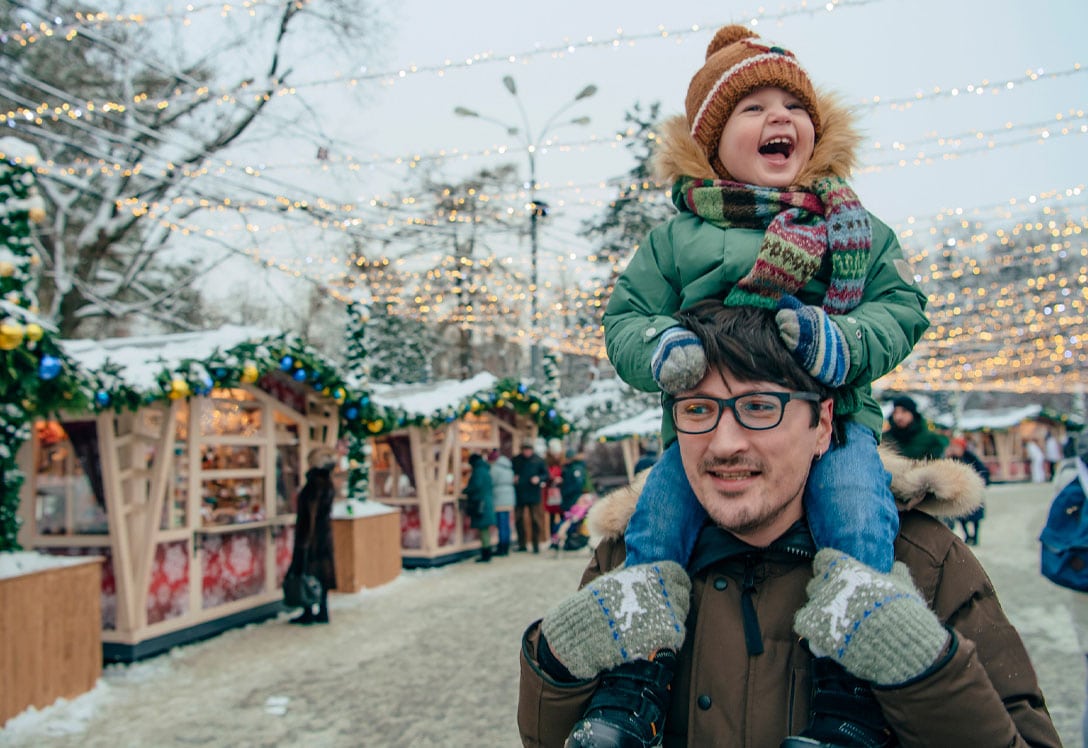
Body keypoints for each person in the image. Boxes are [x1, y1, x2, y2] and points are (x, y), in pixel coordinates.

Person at [517, 303, 1061, 747]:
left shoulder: (924, 561)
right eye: (699, 410)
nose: (725, 443)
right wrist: (555, 664)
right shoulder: (627, 559)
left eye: (758, 406)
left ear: (822, 424)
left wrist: (923, 672)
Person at [598, 22, 928, 741]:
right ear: (711, 143)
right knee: (657, 523)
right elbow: (626, 317)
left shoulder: (857, 230)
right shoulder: (675, 238)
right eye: (752, 109)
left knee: (857, 514)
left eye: (794, 106)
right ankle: (634, 681)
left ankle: (848, 695)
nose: (779, 118)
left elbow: (901, 306)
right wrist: (664, 350)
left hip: (833, 425)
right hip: (705, 431)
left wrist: (844, 343)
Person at [286, 446, 339, 625]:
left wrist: (304, 542)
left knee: (307, 572)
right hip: (323, 537)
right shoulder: (327, 483)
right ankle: (322, 610)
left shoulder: (314, 484)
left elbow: (310, 515)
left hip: (312, 539)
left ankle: (308, 609)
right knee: (321, 575)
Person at [944, 436, 990, 545]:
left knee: (975, 516)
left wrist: (981, 482)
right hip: (959, 492)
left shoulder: (971, 458)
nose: (955, 449)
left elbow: (982, 470)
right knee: (961, 516)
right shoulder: (951, 459)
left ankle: (975, 536)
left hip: (972, 491)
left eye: (957, 447)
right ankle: (967, 535)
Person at [512, 442, 550, 553]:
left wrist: (539, 478)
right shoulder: (516, 460)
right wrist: (514, 477)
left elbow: (546, 475)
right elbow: (512, 472)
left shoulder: (538, 460)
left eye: (528, 450)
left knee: (535, 519)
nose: (526, 452)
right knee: (519, 519)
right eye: (524, 450)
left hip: (534, 494)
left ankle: (536, 544)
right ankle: (522, 544)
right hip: (520, 493)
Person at [884, 395, 948, 460]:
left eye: (904, 411)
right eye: (895, 412)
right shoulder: (885, 439)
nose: (899, 417)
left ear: (913, 414)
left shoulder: (930, 441)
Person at [462, 453, 496, 563]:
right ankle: (487, 552)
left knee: (483, 529)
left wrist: (465, 491)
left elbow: (476, 486)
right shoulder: (485, 469)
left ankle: (486, 553)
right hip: (486, 502)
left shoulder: (478, 471)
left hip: (481, 504)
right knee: (484, 529)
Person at [488, 449, 515, 556]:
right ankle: (506, 545)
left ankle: (502, 547)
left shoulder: (495, 469)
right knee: (506, 524)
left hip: (499, 498)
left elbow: (491, 481)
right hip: (509, 497)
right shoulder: (509, 468)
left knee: (501, 523)